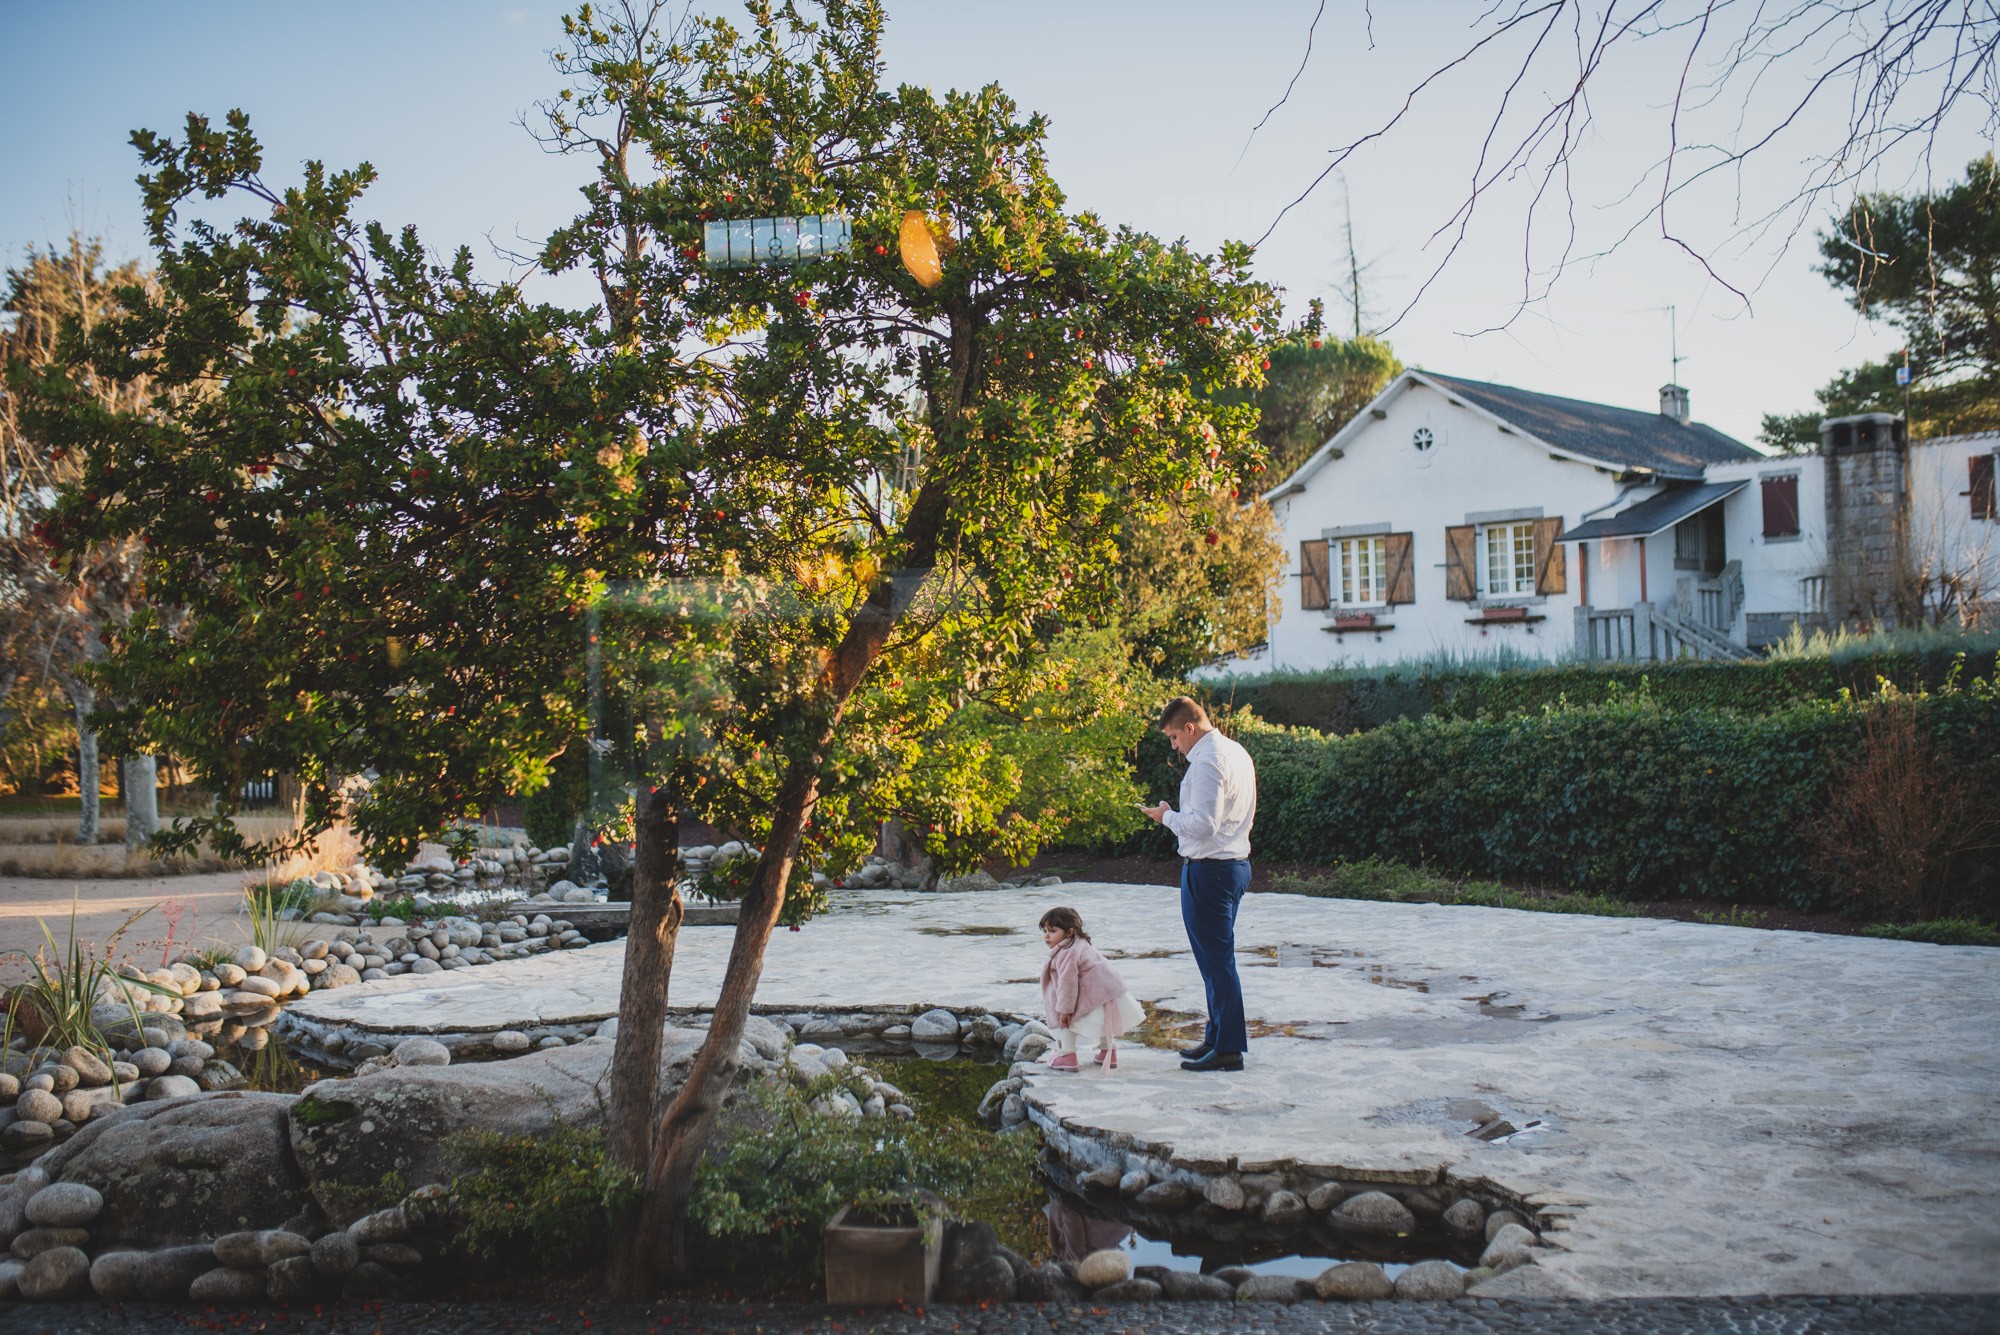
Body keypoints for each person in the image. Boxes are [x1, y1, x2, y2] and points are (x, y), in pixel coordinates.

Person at [1142, 696, 1257, 1072]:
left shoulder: (1209, 761)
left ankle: (1227, 1049)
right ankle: (1217, 1037)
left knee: (1217, 963)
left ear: (1190, 727)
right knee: (1214, 961)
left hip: (1211, 871)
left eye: (1175, 737)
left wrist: (1166, 817)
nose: (1174, 746)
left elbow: (1204, 825)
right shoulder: (1235, 751)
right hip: (1229, 865)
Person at [1038, 906, 1144, 1073]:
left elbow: (1067, 984)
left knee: (1066, 1021)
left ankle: (1067, 1055)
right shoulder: (1080, 945)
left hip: (1094, 991)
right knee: (1104, 1018)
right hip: (1108, 988)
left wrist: (1064, 1010)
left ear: (1069, 933)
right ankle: (1107, 1051)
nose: (1046, 936)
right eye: (1045, 931)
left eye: (1052, 931)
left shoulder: (1067, 952)